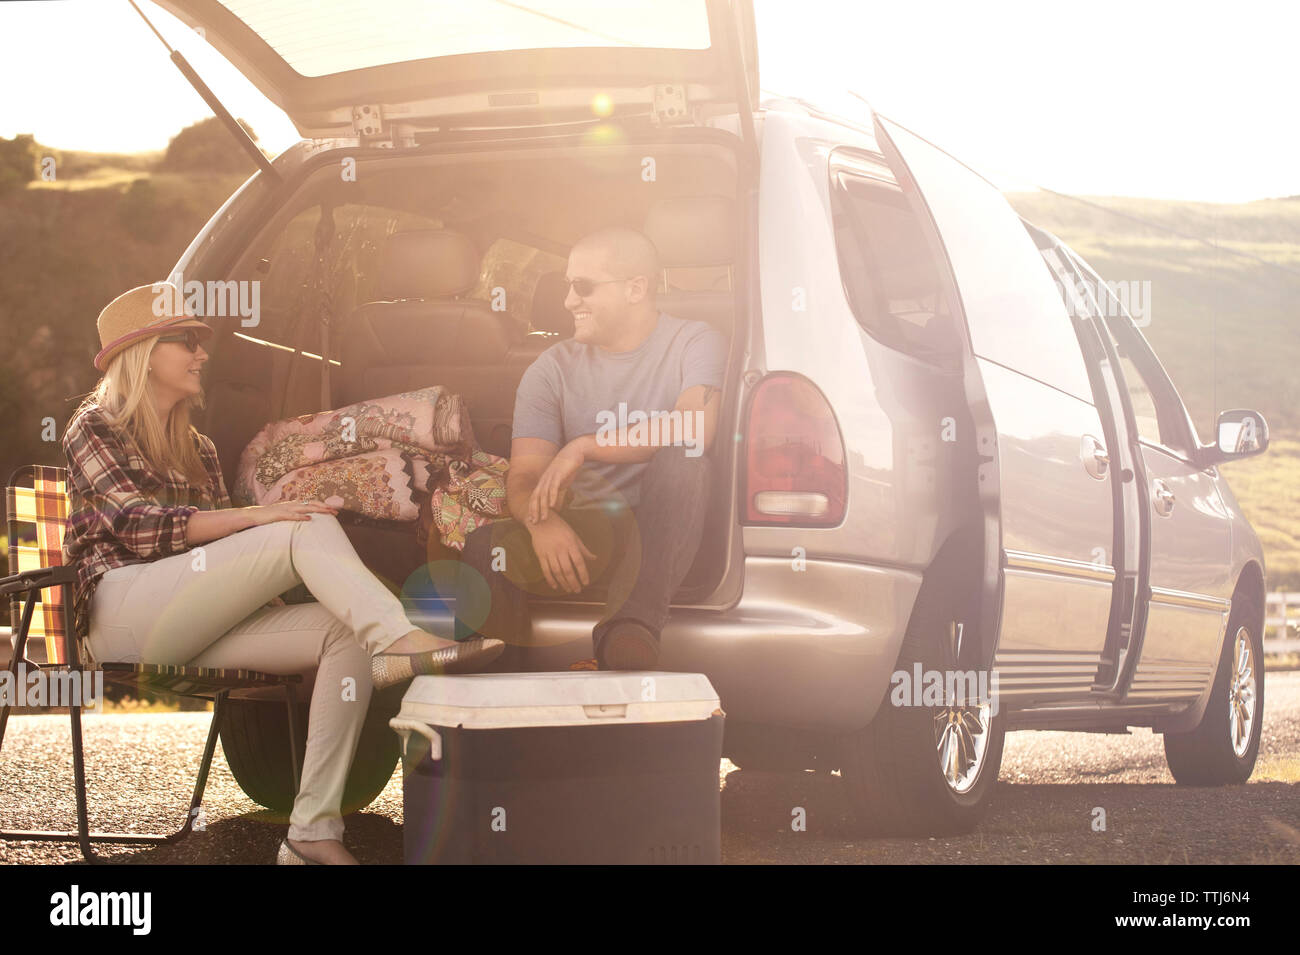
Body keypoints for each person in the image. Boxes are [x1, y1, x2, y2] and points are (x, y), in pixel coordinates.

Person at [61, 282, 503, 865]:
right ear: (142, 354)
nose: (203, 353)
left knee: (340, 630)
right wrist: (260, 515)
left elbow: (233, 550)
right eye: (187, 341)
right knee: (296, 522)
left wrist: (263, 565)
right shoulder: (93, 427)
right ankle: (396, 639)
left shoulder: (198, 446)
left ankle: (312, 830)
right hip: (122, 613)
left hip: (194, 619)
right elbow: (136, 525)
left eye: (201, 342)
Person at [453, 227, 727, 669]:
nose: (568, 301)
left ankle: (629, 633)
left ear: (636, 288)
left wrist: (584, 446)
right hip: (586, 533)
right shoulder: (551, 368)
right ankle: (487, 689)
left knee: (684, 460)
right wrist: (541, 523)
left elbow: (695, 425)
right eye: (567, 286)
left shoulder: (695, 341)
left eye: (583, 286)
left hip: (667, 531)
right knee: (487, 544)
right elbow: (524, 476)